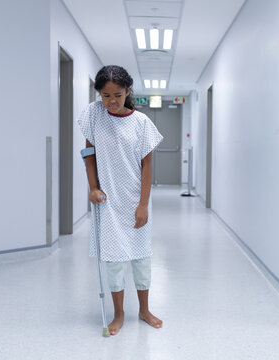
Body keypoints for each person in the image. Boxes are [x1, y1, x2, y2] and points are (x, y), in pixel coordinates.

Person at [77, 65, 164, 336]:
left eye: (117, 95)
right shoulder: (93, 114)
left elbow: (147, 166)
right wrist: (92, 187)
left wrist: (143, 204)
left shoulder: (142, 124)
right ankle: (118, 313)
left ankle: (144, 310)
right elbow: (88, 153)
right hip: (107, 202)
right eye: (105, 96)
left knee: (141, 259)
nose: (111, 102)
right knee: (114, 261)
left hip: (134, 198)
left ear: (128, 92)